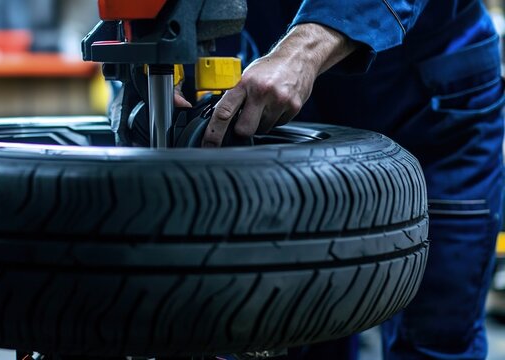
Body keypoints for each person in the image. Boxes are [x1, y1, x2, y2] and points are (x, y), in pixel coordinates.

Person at [175, 1, 505, 359]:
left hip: (432, 106)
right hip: (283, 103)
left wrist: (303, 51)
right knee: (302, 324)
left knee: (437, 332)